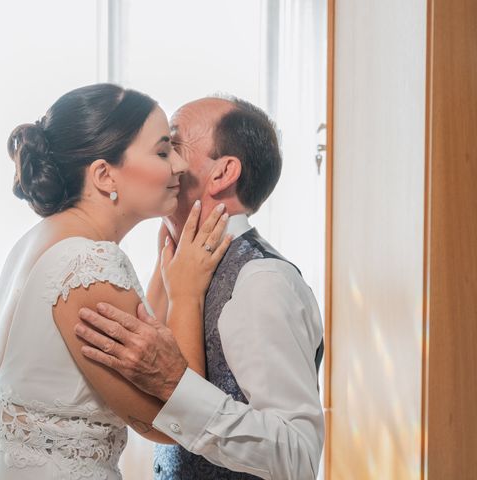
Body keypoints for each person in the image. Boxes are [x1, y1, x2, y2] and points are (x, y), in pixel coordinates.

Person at [0, 84, 233, 479]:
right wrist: (189, 294)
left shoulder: (44, 240)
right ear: (105, 174)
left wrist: (167, 264)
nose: (179, 165)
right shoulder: (87, 263)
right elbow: (168, 421)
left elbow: (141, 336)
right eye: (161, 151)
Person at [75, 96, 325, 479]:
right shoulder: (173, 264)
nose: (166, 161)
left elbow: (297, 454)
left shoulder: (261, 282)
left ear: (223, 173)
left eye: (173, 145)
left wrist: (179, 385)